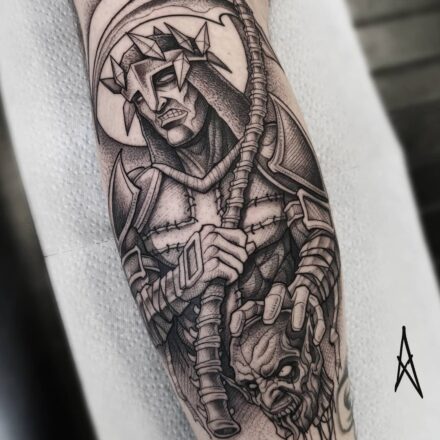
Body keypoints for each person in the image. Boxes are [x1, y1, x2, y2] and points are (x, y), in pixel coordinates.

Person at [73, 1, 356, 439]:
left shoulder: (269, 148)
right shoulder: (140, 196)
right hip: (231, 393)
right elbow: (153, 303)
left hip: (300, 357)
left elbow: (312, 225)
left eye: (163, 79)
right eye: (139, 98)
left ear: (199, 71)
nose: (156, 104)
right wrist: (181, 280)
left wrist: (308, 282)